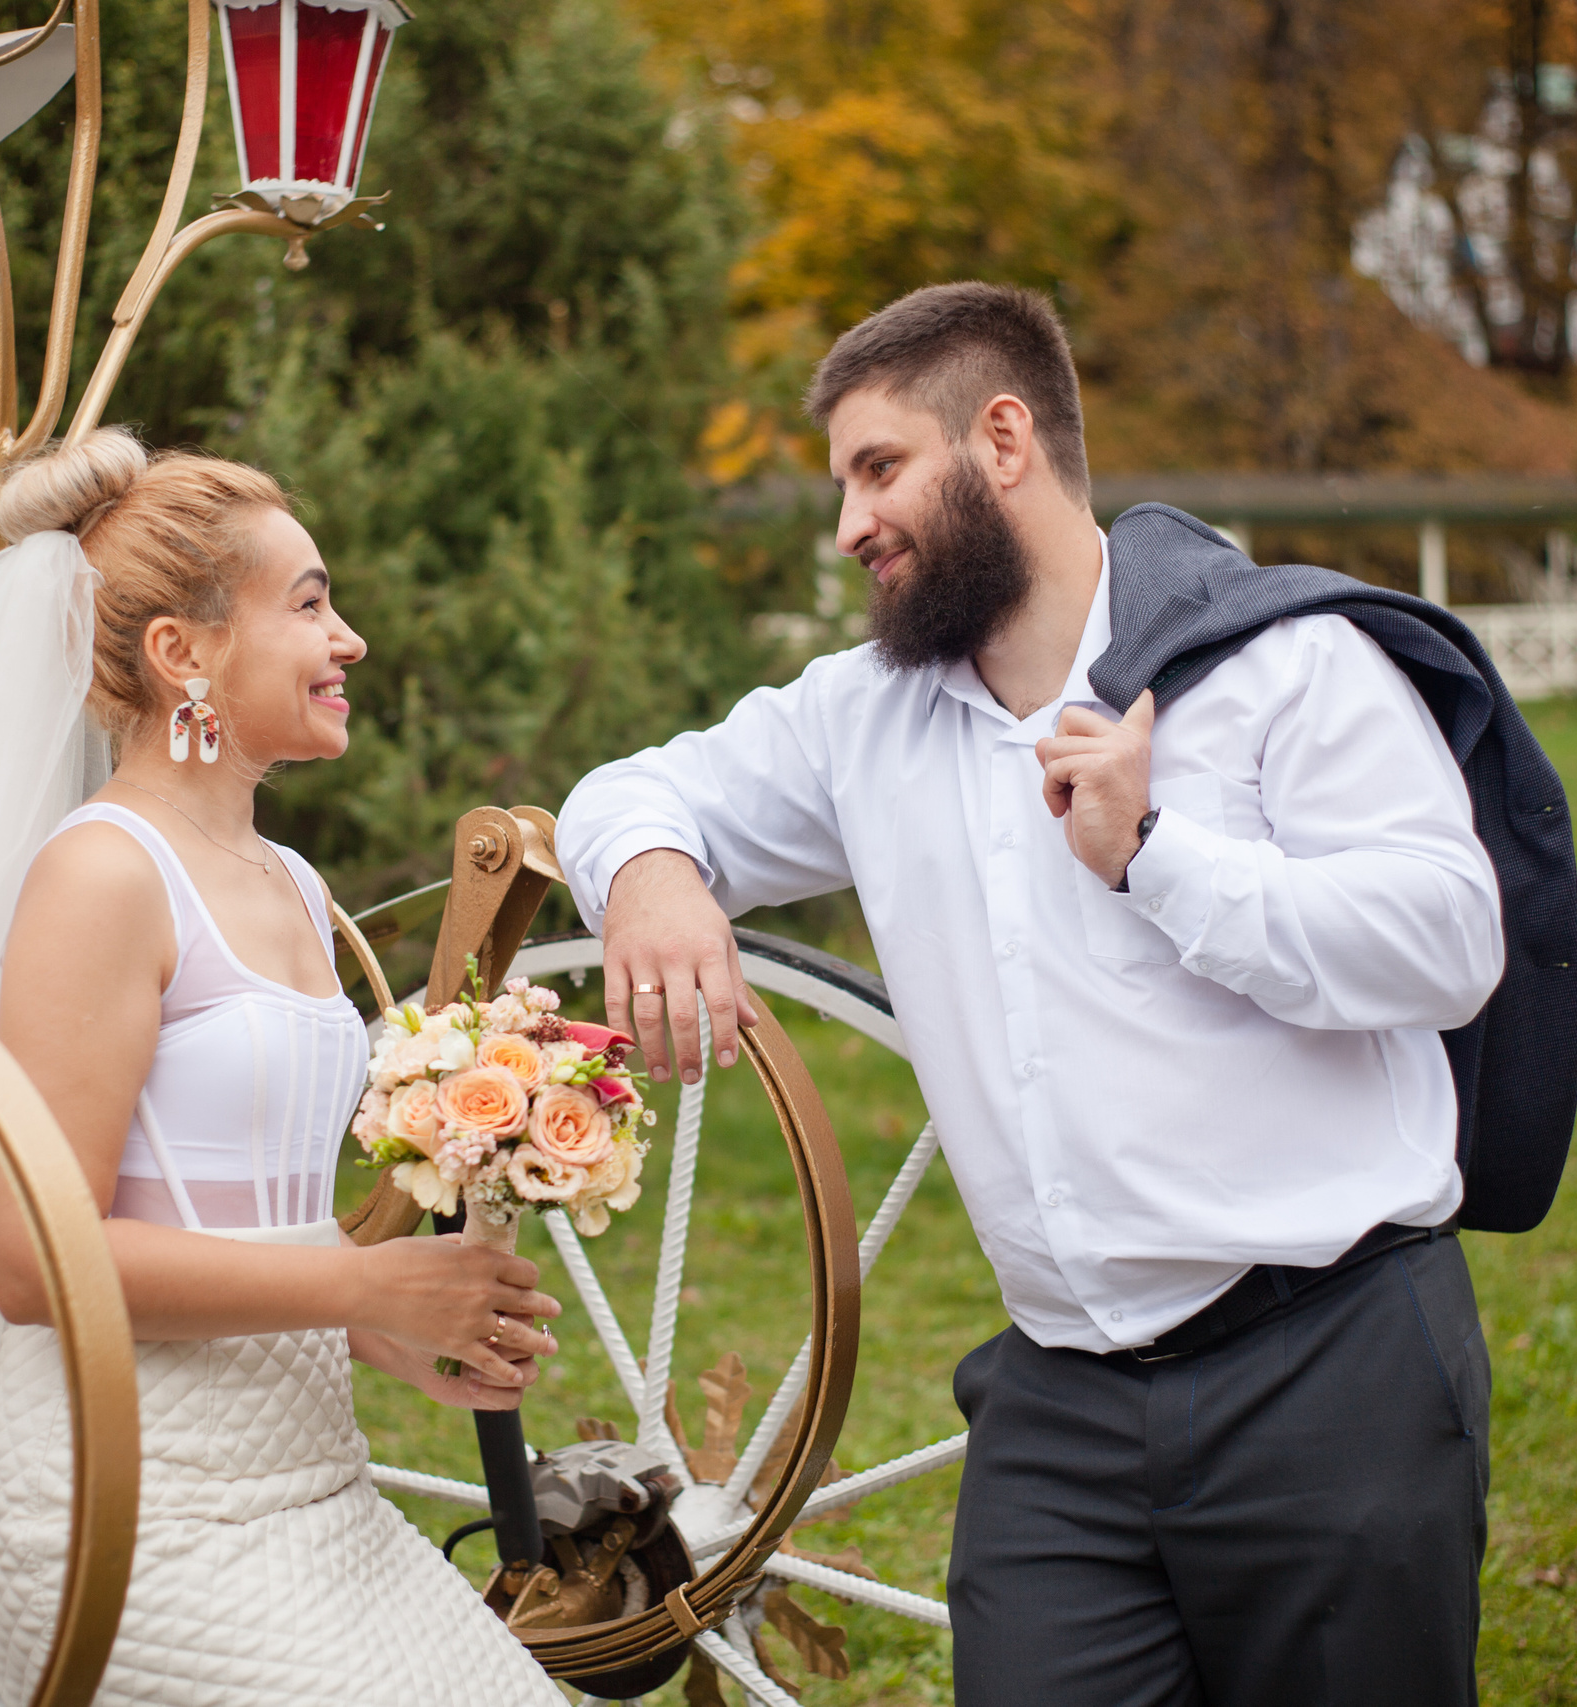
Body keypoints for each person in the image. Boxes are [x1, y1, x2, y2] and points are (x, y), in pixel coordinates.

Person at [556, 283, 1511, 1706]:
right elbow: (633, 790)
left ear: (1002, 438)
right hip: (1060, 1407)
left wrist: (1159, 858)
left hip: (1327, 1369)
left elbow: (1447, 940)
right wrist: (649, 874)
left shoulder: (1279, 663)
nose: (848, 525)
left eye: (880, 469)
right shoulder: (861, 715)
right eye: (842, 484)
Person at [0, 430, 567, 1706]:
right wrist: (365, 1284)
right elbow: (30, 1259)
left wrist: (387, 1326)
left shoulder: (290, 880)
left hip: (311, 1488)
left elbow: (248, 1215)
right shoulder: (103, 874)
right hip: (126, 1510)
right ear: (184, 653)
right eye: (309, 603)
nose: (348, 640)